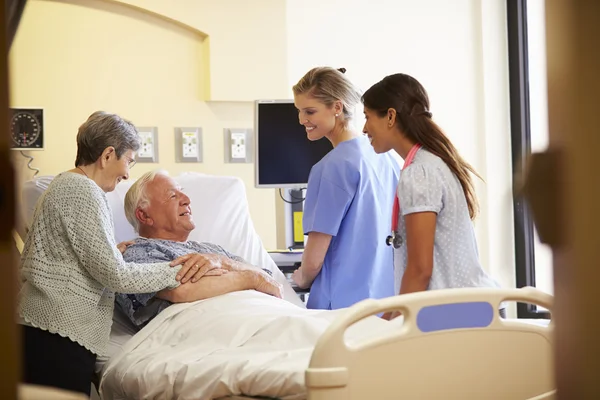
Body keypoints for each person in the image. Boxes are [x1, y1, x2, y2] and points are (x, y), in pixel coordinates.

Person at [17, 111, 220, 396]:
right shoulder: (81, 191)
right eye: (129, 161)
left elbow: (67, 256)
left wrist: (109, 250)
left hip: (48, 330)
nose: (127, 173)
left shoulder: (66, 186)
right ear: (108, 154)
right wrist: (180, 269)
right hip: (55, 334)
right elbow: (116, 275)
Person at [361, 73, 501, 320]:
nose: (364, 129)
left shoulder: (420, 173)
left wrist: (391, 326)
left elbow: (420, 269)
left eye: (367, 117)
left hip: (455, 315)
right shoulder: (433, 162)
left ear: (390, 117)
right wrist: (387, 319)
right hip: (472, 308)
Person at [115, 170, 283, 329]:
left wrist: (224, 263)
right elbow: (182, 291)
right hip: (212, 328)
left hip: (261, 316)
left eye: (182, 192)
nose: (187, 199)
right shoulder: (136, 253)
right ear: (144, 216)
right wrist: (250, 279)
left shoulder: (211, 251)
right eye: (173, 195)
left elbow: (269, 282)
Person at [291, 67, 400, 310]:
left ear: (337, 108)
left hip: (342, 310)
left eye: (309, 111)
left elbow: (313, 261)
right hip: (387, 303)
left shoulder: (330, 168)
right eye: (299, 111)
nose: (301, 120)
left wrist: (301, 278)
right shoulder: (386, 158)